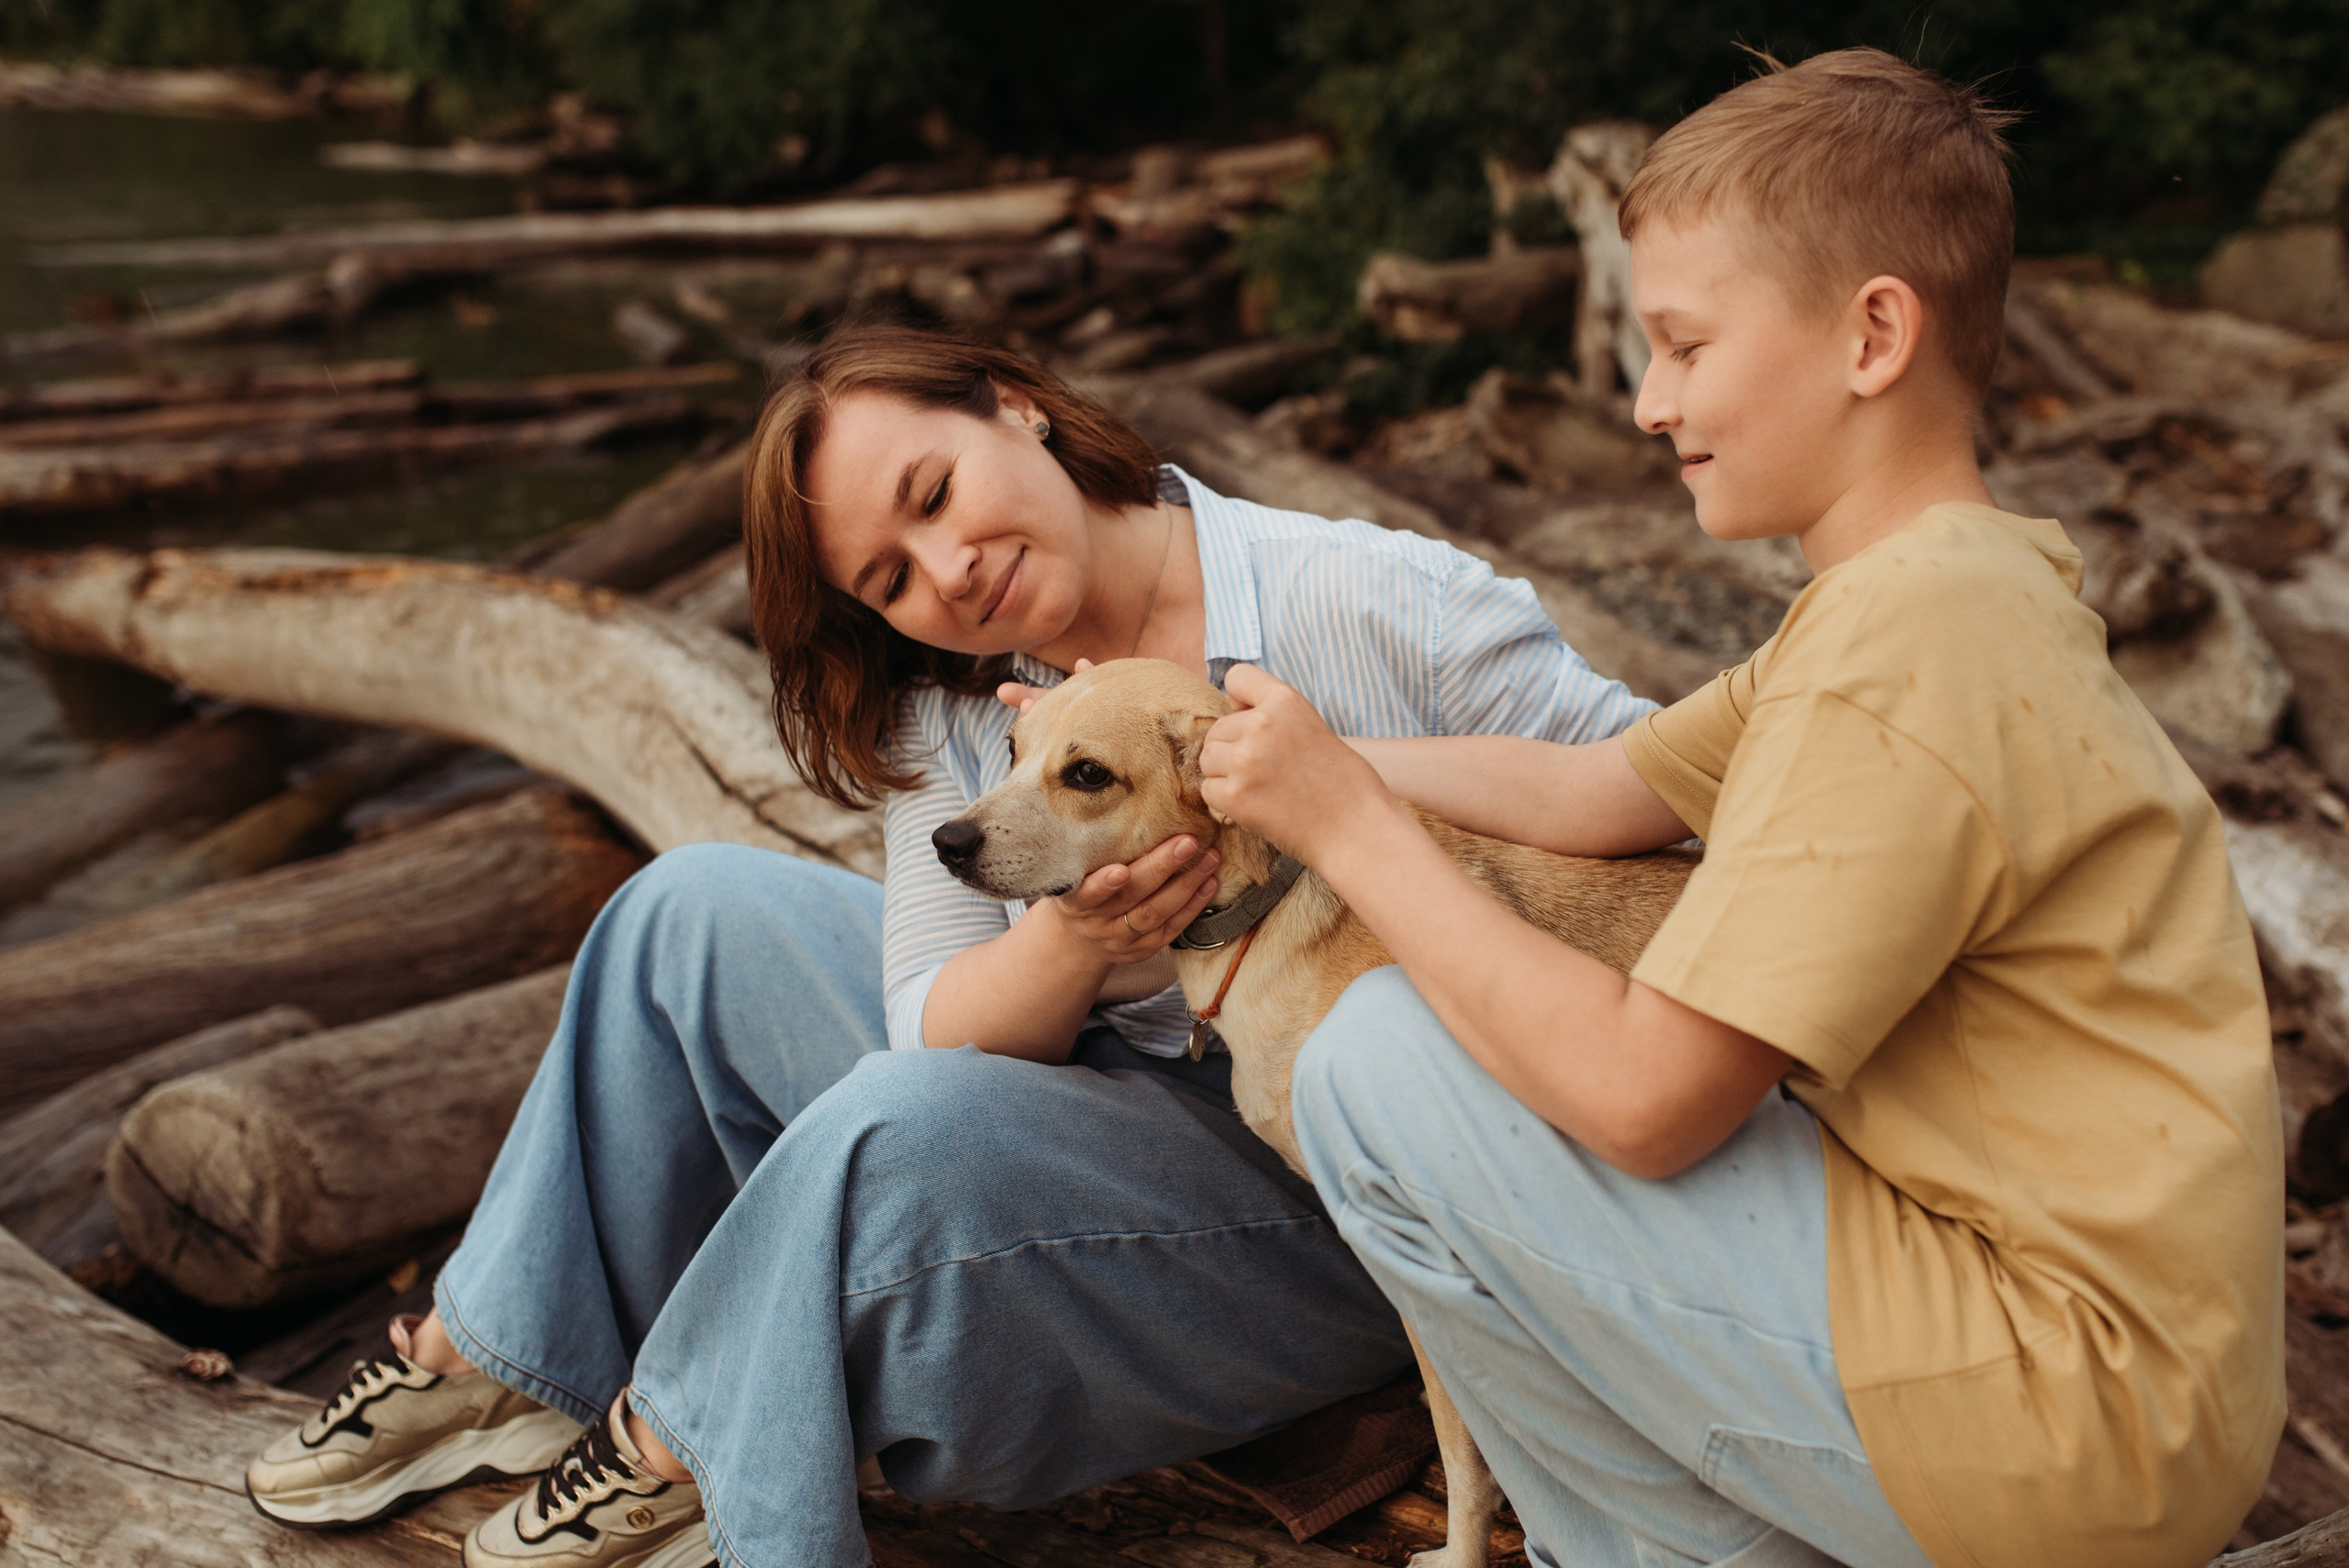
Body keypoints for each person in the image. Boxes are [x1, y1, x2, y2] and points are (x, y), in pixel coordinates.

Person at [241, 324, 1654, 1568]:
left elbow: (1692, 815)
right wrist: (1089, 938)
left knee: (890, 1126)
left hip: (1366, 1192)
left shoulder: (1374, 598)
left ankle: (702, 1455)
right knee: (686, 912)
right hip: (1130, 1116)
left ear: (1016, 406)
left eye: (934, 495)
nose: (950, 572)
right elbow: (929, 1022)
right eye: (890, 577)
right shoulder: (956, 711)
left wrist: (1317, 780)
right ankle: (495, 1357)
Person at [1196, 48, 2285, 1568]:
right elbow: (1590, 790)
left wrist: (1349, 833)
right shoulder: (1931, 596)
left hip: (2061, 1425)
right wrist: (1314, 758)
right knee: (1409, 1043)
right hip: (2129, 1393)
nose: (1648, 403)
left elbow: (1651, 1104)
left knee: (1373, 1057)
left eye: (1686, 345)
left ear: (1872, 335)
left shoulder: (1907, 650)